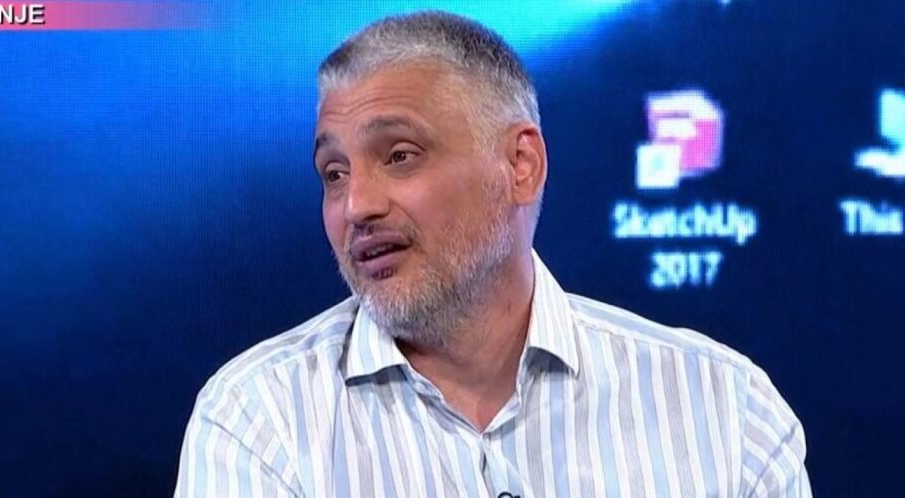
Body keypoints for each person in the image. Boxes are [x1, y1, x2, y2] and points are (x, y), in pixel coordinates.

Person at [174, 10, 810, 498]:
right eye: (333, 174)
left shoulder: (724, 411)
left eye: (399, 156)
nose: (356, 205)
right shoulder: (260, 421)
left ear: (520, 165)